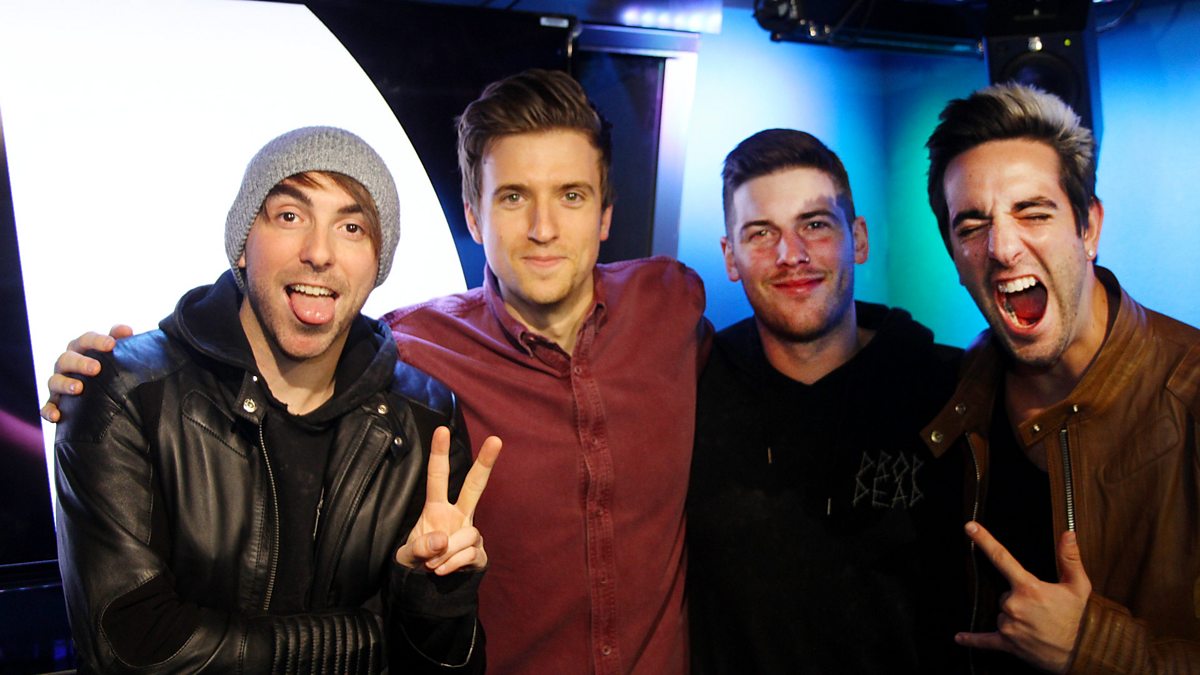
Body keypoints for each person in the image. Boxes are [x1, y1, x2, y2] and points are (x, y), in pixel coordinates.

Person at [46, 70, 707, 674]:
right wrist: (105, 375)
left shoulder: (670, 302)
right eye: (512, 196)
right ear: (473, 216)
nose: (542, 227)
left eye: (571, 195)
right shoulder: (415, 355)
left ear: (606, 215)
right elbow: (130, 643)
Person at [51, 127, 501, 673]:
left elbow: (449, 667)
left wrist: (432, 601)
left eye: (352, 227)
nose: (319, 253)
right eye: (290, 216)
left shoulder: (426, 421)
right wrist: (373, 638)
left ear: (377, 264)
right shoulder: (126, 393)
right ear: (243, 243)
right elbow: (133, 649)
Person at [921, 83, 1200, 673]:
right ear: (953, 254)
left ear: (1089, 227)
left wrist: (1091, 648)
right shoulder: (961, 393)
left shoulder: (1190, 393)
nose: (1002, 247)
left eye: (1032, 212)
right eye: (971, 225)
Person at [685, 129, 959, 674]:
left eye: (814, 224)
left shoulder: (949, 389)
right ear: (730, 257)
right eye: (761, 233)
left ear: (858, 238)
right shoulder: (689, 394)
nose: (791, 255)